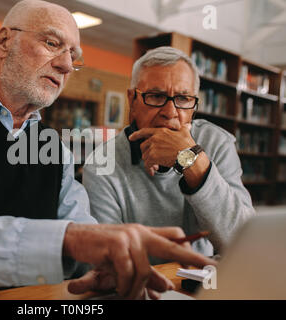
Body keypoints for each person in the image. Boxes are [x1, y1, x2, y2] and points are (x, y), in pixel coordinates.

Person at [0, 2, 215, 300]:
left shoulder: (55, 151)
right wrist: (70, 241)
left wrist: (107, 267)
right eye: (52, 44)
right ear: (3, 42)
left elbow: (81, 230)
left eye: (73, 57)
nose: (65, 65)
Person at [83, 46, 255, 265]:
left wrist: (192, 161)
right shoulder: (101, 163)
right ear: (132, 101)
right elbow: (106, 262)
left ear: (194, 105)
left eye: (183, 98)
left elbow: (245, 245)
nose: (170, 112)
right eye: (156, 96)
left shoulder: (217, 143)